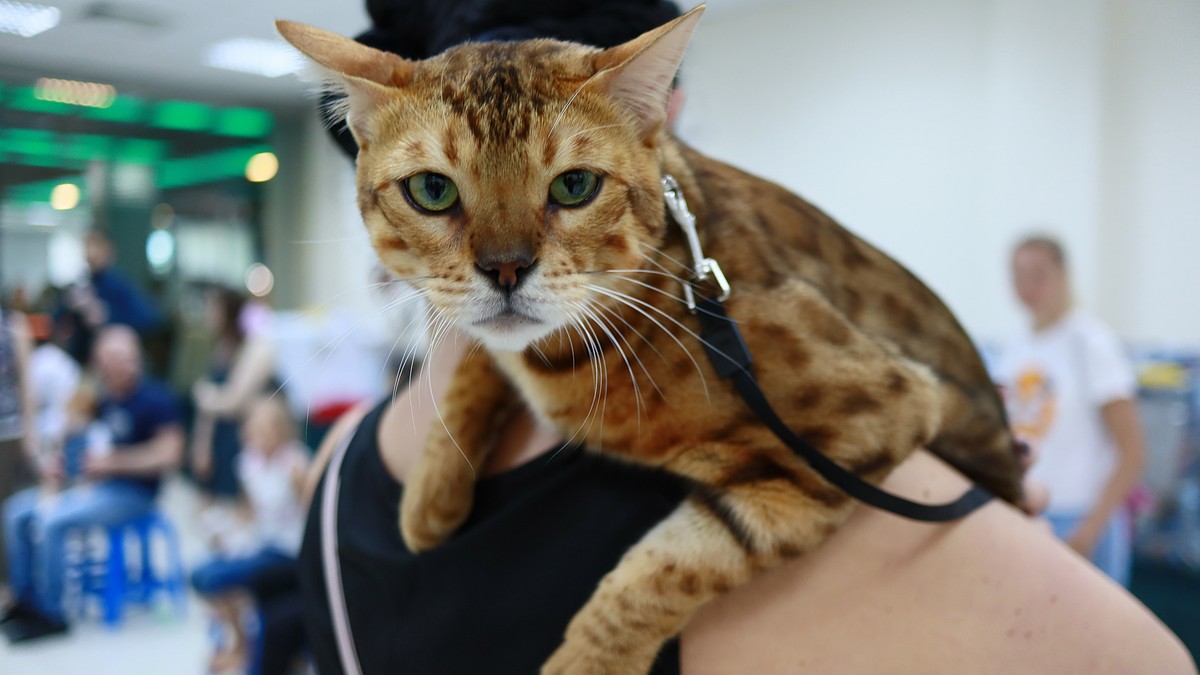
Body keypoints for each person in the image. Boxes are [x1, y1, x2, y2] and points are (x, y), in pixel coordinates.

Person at [297, 2, 1193, 672]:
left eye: (569, 188)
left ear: (656, 127)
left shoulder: (333, 471)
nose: (503, 263)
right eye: (437, 193)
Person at [0, 325, 183, 643]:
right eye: (109, 359)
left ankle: (52, 611)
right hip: (86, 486)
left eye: (123, 358)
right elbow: (68, 437)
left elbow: (170, 454)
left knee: (52, 521)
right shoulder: (95, 397)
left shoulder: (155, 399)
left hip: (132, 492)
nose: (116, 366)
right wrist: (58, 461)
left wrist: (115, 461)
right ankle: (25, 600)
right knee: (16, 511)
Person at [994, 235, 1146, 587]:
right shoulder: (1014, 349)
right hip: (1030, 514)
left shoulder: (1091, 344)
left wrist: (1089, 530)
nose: (1027, 287)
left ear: (1063, 276)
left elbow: (1133, 452)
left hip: (1083, 517)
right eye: (1018, 276)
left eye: (1038, 275)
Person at [190, 396, 309, 673]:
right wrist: (221, 524)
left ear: (281, 429)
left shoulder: (295, 464)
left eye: (267, 427)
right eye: (255, 427)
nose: (260, 435)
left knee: (216, 578)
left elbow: (309, 513)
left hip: (288, 549)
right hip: (262, 543)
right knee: (203, 573)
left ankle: (242, 648)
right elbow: (250, 512)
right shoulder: (247, 463)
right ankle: (240, 642)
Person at [191, 286, 276, 501]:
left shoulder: (256, 347)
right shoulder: (222, 347)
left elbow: (234, 402)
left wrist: (206, 397)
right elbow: (212, 403)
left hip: (246, 433)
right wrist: (202, 444)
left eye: (212, 309)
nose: (207, 315)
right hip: (222, 431)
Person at [60, 229, 161, 364]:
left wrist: (106, 317)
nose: (91, 252)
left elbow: (149, 319)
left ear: (108, 249)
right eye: (88, 245)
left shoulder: (118, 284)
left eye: (97, 246)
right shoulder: (81, 285)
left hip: (113, 361)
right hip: (83, 359)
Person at [0, 307, 37, 595]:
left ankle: (10, 585)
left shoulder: (12, 324)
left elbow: (26, 380)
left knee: (8, 511)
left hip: (8, 431)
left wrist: (30, 432)